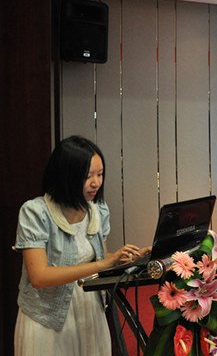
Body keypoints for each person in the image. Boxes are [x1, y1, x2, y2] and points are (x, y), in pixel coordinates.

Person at [13, 135, 151, 355]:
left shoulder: (97, 209)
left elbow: (100, 259)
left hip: (89, 309)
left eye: (100, 174)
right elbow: (39, 277)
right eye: (87, 176)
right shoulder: (36, 212)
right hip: (47, 317)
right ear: (66, 176)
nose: (96, 182)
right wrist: (103, 264)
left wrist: (128, 259)